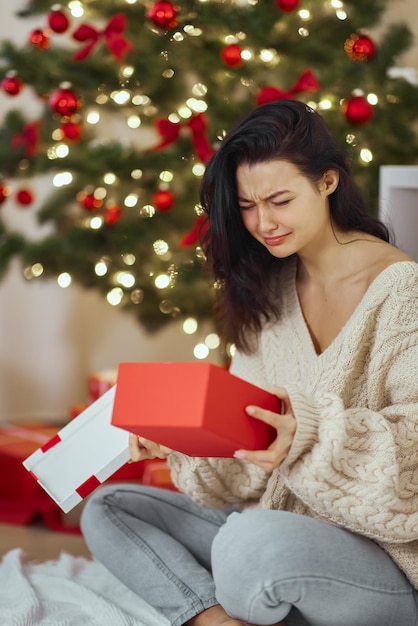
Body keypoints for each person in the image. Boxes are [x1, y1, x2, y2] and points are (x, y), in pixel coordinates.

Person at [80, 99, 418, 626]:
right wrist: (191, 440)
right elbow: (242, 478)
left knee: (249, 544)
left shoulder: (402, 292)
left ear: (327, 182)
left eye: (280, 200)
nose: (264, 223)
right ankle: (214, 619)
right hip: (273, 523)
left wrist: (305, 435)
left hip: (376, 558)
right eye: (246, 206)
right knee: (110, 509)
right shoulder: (269, 292)